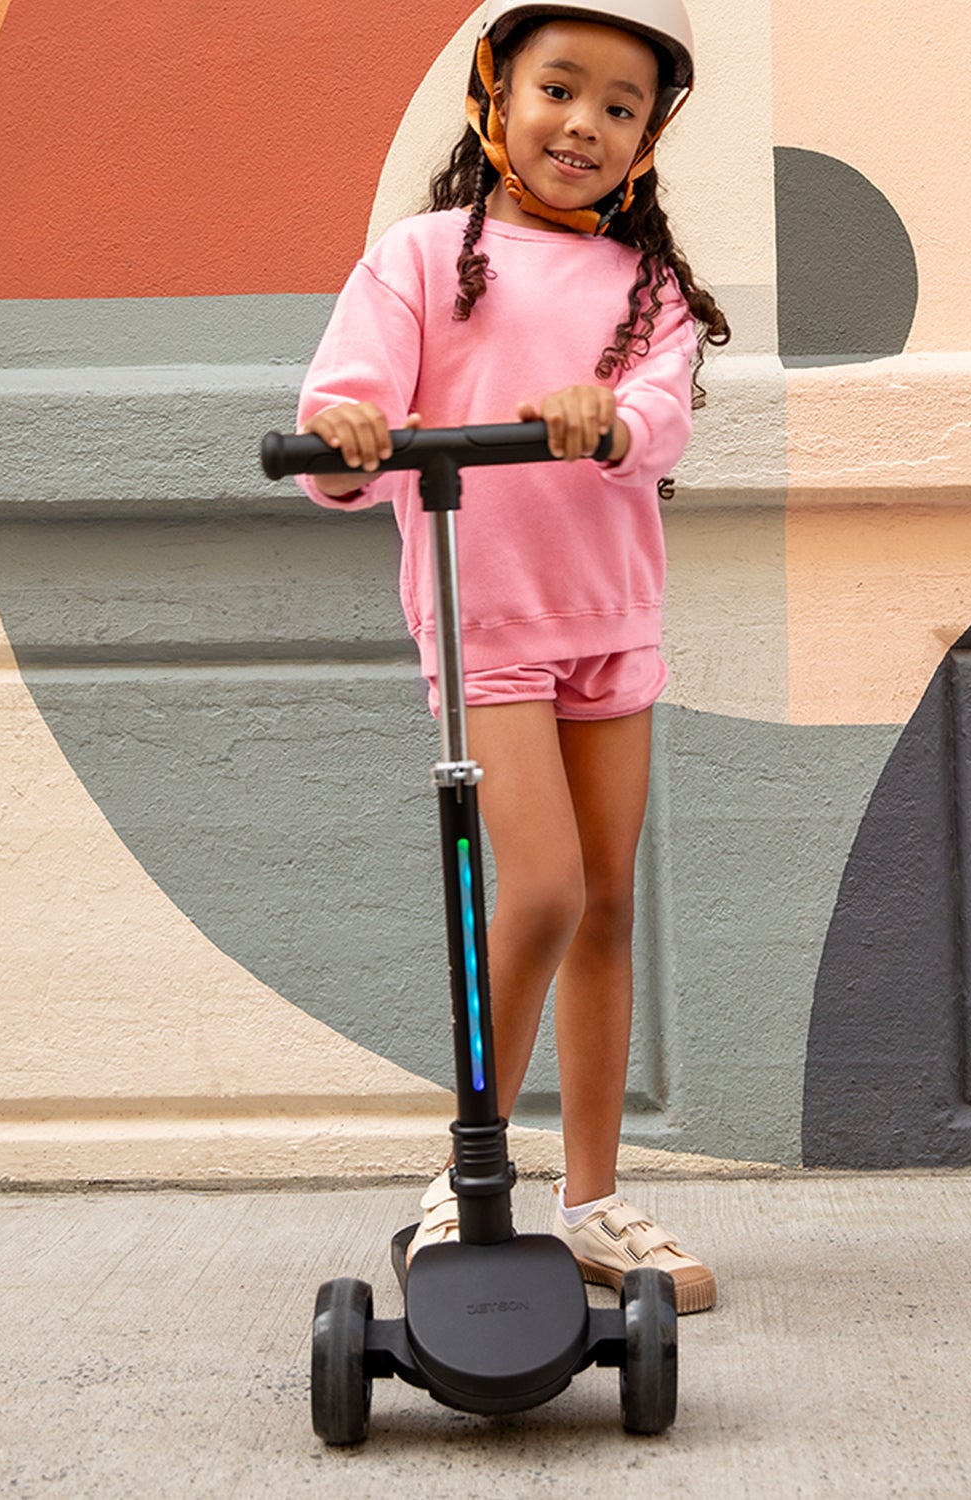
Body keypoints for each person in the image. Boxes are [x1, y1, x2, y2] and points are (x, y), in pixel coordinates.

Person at [296, 0, 729, 1314]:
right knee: (535, 890)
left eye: (619, 105)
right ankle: (465, 1176)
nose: (584, 124)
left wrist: (608, 420)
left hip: (613, 620)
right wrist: (351, 435)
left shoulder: (648, 288)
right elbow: (340, 403)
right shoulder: (425, 257)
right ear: (497, 96)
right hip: (488, 616)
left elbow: (657, 420)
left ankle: (591, 1201)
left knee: (604, 908)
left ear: (650, 139)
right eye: (560, 89)